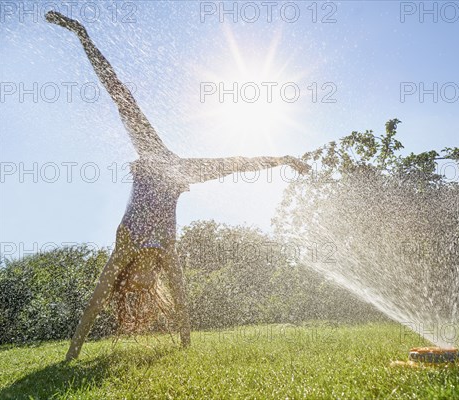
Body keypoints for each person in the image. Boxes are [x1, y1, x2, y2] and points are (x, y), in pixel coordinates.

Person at [45, 11, 310, 361]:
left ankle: (82, 33)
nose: (143, 281)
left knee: (124, 100)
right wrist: (185, 344)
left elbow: (94, 305)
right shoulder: (167, 250)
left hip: (160, 161)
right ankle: (82, 34)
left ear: (127, 277)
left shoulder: (125, 246)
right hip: (175, 171)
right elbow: (181, 304)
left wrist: (285, 160)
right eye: (145, 285)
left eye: (135, 284)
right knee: (224, 161)